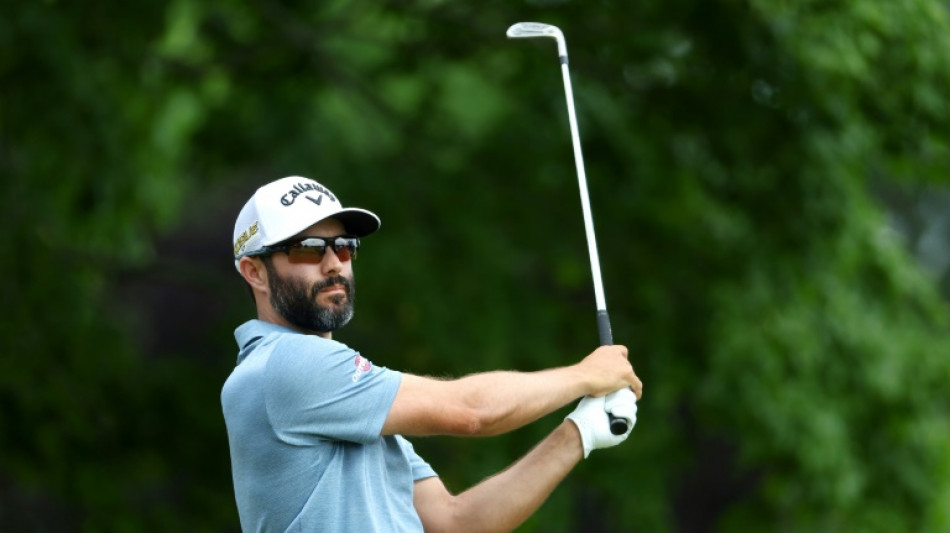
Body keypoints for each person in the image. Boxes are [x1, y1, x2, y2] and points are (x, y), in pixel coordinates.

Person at [221, 176, 643, 532]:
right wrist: (585, 375)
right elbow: (472, 412)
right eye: (309, 249)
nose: (334, 264)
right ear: (254, 271)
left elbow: (455, 521)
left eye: (344, 246)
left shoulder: (346, 399)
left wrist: (579, 433)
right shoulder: (284, 365)